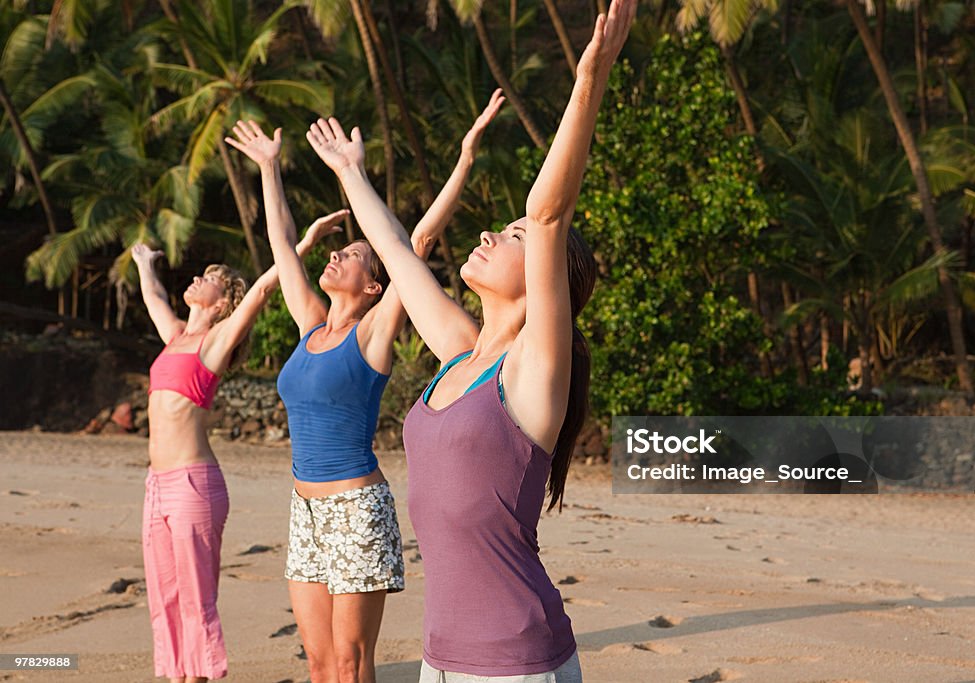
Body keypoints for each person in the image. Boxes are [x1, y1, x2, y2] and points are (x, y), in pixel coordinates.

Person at [303, 2, 635, 680]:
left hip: (517, 660)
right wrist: (351, 173)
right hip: (442, 659)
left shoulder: (536, 367)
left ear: (547, 279)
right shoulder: (461, 350)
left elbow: (547, 216)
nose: (489, 234)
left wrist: (590, 79)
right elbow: (397, 253)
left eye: (508, 236)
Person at [223, 89, 504, 683]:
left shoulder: (372, 334)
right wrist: (270, 170)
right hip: (304, 509)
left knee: (351, 666)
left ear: (374, 285)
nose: (334, 257)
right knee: (321, 664)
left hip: (355, 509)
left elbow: (416, 243)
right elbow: (281, 244)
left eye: (351, 255)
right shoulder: (309, 325)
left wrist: (465, 158)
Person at [132, 218, 339, 683]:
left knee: (195, 596)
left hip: (192, 484)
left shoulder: (214, 342)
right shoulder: (175, 338)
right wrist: (145, 263)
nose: (196, 279)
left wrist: (303, 243)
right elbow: (155, 299)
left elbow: (263, 292)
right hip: (156, 486)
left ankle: (203, 677)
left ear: (224, 302)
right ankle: (179, 675)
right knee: (164, 594)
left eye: (208, 278)